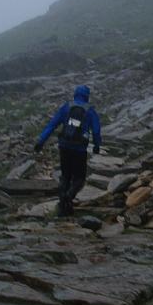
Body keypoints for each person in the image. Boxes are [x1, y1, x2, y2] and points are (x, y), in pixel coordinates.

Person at [34, 84, 101, 216]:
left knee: (65, 176)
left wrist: (40, 141)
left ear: (75, 94)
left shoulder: (66, 107)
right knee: (79, 179)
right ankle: (68, 198)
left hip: (64, 146)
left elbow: (52, 125)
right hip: (80, 149)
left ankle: (63, 205)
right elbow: (96, 131)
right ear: (87, 96)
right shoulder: (90, 111)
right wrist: (97, 145)